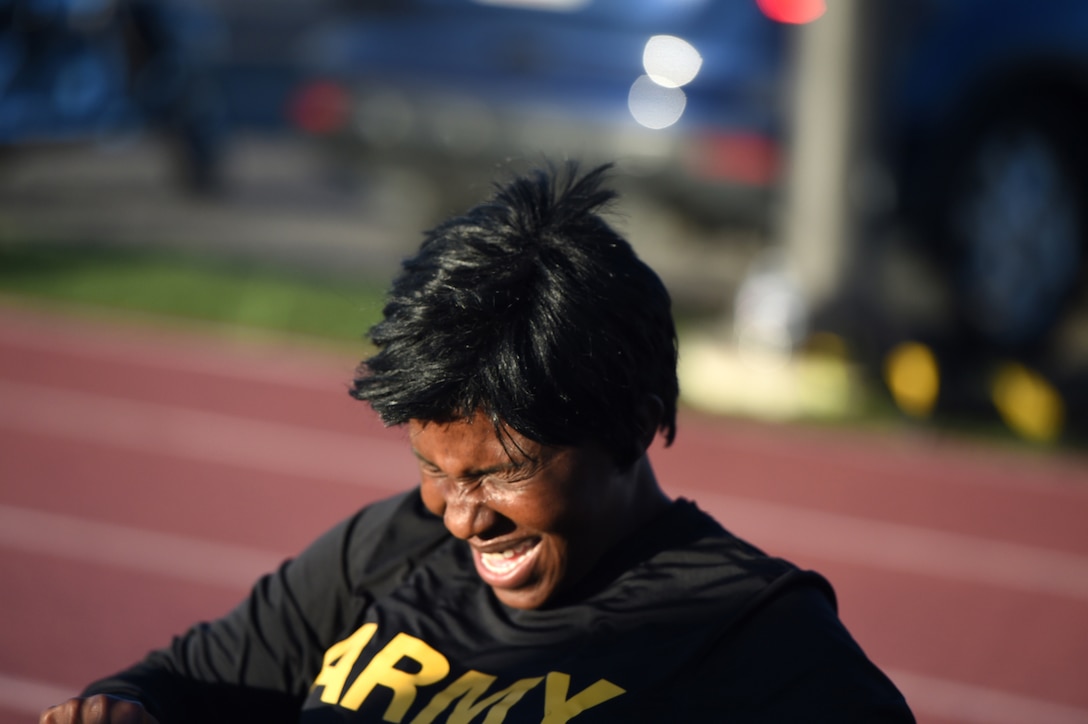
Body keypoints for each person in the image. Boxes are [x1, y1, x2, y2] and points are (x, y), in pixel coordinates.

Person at [40, 163, 914, 723]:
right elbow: (181, 686)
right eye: (432, 470)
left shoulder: (756, 639)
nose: (463, 521)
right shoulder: (386, 551)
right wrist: (122, 708)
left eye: (500, 476)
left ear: (634, 422)